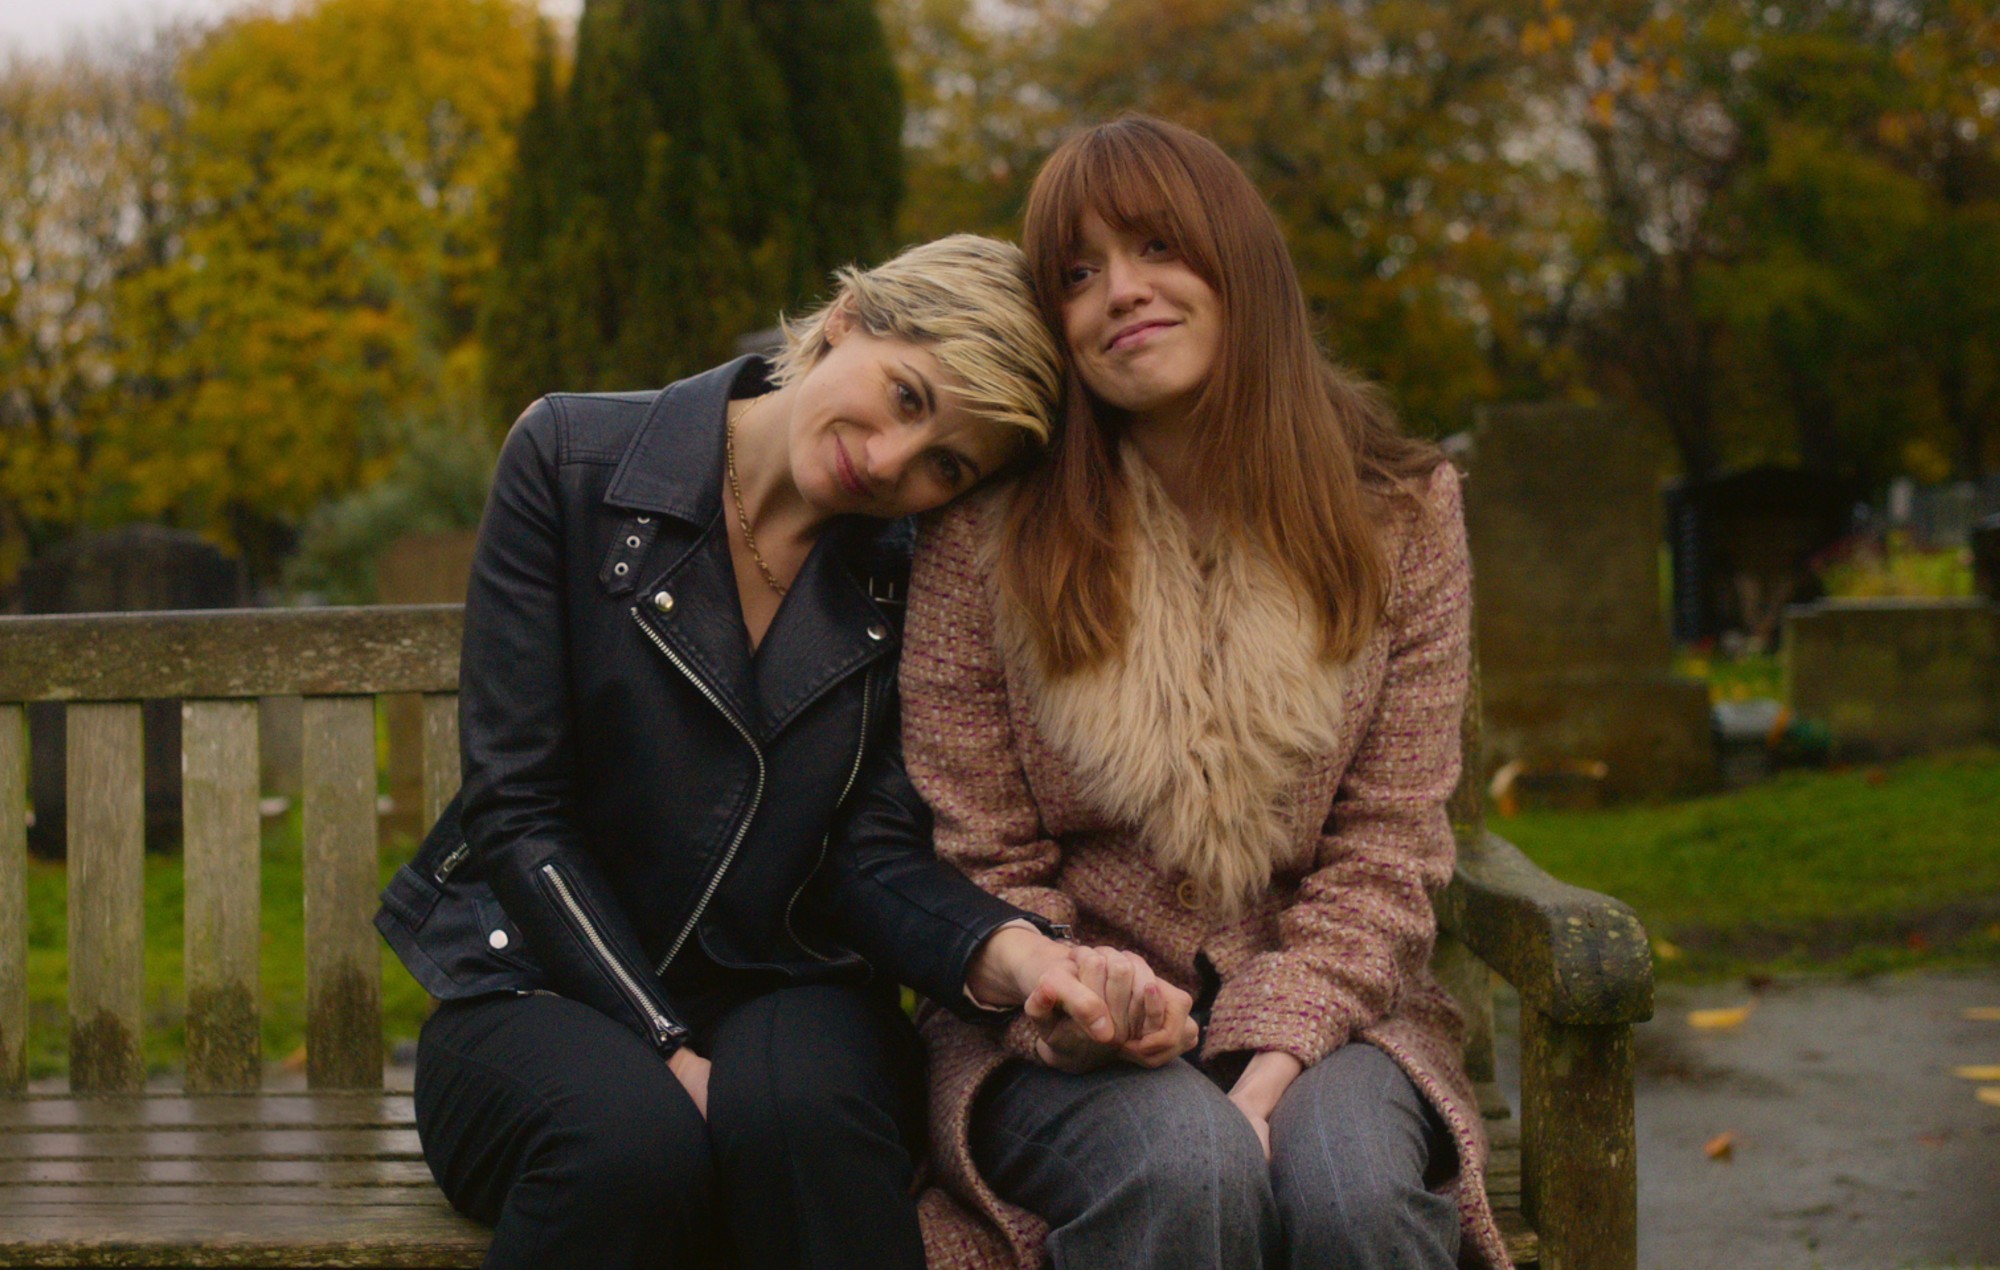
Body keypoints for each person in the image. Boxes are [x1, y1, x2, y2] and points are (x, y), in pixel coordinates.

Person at [372, 234, 1197, 1270]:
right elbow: (518, 809)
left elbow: (871, 858)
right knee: (626, 1148)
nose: (894, 461)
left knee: (800, 1123)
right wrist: (666, 1048)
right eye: (906, 394)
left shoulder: (917, 571)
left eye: (947, 461)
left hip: (791, 984)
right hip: (533, 982)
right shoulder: (573, 458)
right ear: (847, 318)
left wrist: (1031, 958)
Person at [900, 121, 1513, 1269]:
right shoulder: (985, 538)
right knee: (1183, 1172)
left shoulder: (1398, 513)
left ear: (1236, 259)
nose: (1118, 293)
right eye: (1075, 275)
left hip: (1338, 1007)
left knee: (1353, 1200)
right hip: (1052, 1021)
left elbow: (1387, 847)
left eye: (1155, 247)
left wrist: (1267, 1067)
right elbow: (974, 852)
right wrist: (1084, 999)